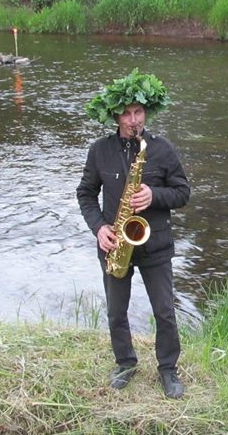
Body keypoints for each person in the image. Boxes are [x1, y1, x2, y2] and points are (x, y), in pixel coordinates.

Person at [76, 69, 191, 399]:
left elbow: (183, 192)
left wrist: (155, 196)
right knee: (116, 311)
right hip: (115, 243)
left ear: (146, 113)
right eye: (126, 113)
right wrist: (99, 228)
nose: (132, 119)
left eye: (138, 112)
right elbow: (85, 193)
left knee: (165, 312)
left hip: (155, 244)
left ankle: (168, 369)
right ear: (115, 115)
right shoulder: (99, 151)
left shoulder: (163, 149)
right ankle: (125, 363)